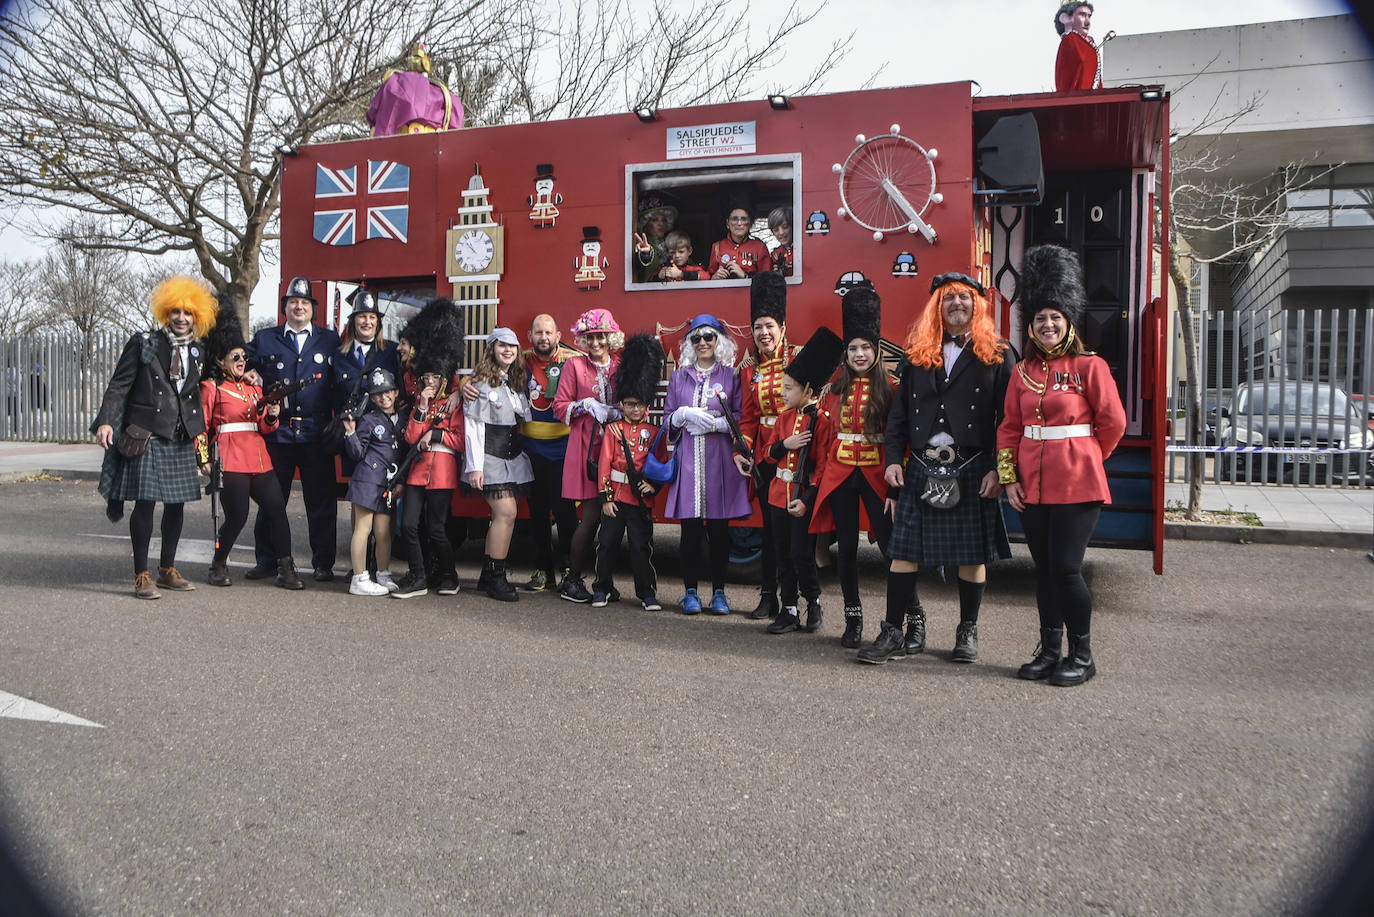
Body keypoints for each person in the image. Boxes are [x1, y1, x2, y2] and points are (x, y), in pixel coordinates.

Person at [857, 271, 1016, 666]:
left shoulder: (997, 353)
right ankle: (894, 630)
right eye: (948, 299)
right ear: (937, 307)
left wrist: (999, 469)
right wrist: (893, 459)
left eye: (964, 297)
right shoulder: (917, 353)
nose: (956, 304)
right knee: (902, 553)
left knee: (972, 556)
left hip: (973, 466)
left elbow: (1007, 419)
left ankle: (967, 630)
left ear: (976, 305)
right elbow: (898, 415)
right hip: (922, 464)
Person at [998, 245, 1126, 686]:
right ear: (1030, 327)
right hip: (1032, 487)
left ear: (1068, 321)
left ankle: (1082, 654)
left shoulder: (1090, 367)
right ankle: (1050, 650)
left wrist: (1088, 458)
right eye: (1039, 320)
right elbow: (1009, 429)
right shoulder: (1021, 373)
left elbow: (1113, 422)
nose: (1047, 325)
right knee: (1044, 571)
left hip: (1077, 485)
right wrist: (1009, 478)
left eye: (1054, 317)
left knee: (1067, 569)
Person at [93, 276, 217, 599]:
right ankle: (141, 574)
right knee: (145, 504)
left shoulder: (198, 350)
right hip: (146, 434)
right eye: (175, 311)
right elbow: (119, 385)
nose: (181, 318)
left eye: (188, 313)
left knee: (176, 506)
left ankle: (166, 569)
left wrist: (202, 453)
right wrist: (106, 422)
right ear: (166, 312)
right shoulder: (144, 342)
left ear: (196, 317)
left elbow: (194, 405)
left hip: (178, 436)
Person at [807, 288, 895, 648]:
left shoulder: (890, 388)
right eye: (853, 349)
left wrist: (896, 484)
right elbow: (826, 441)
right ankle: (852, 617)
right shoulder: (833, 390)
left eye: (865, 348)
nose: (859, 354)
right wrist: (817, 480)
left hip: (876, 475)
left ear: (875, 351)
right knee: (845, 550)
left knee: (892, 549)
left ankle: (907, 616)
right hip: (841, 474)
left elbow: (896, 440)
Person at [198, 299, 301, 590]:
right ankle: (218, 562)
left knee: (276, 508)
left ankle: (285, 566)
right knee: (238, 515)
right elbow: (201, 429)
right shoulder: (211, 387)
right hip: (230, 457)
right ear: (220, 360)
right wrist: (203, 458)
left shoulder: (253, 387)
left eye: (243, 356)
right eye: (235, 357)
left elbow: (264, 428)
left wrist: (272, 415)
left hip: (257, 456)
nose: (242, 361)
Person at [243, 276, 340, 582]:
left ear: (313, 308)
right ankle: (267, 559)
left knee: (321, 503)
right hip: (278, 434)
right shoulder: (265, 338)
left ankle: (323, 563)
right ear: (285, 306)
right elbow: (239, 361)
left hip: (316, 433)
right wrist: (251, 372)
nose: (299, 307)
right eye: (293, 302)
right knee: (271, 500)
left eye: (305, 303)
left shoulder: (330, 340)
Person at [663, 313, 752, 614]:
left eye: (708, 337)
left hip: (719, 464)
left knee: (718, 531)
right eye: (696, 338)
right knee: (689, 531)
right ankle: (689, 592)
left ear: (718, 341)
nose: (702, 343)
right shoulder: (678, 377)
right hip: (688, 461)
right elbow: (668, 420)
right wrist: (682, 415)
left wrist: (716, 425)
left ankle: (719, 593)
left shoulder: (731, 377)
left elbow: (740, 418)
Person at [761, 327, 844, 635]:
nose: (783, 393)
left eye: (789, 388)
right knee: (782, 555)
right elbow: (768, 453)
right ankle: (789, 608)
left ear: (808, 391)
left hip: (801, 499)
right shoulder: (783, 419)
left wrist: (807, 500)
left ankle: (813, 601)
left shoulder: (820, 421)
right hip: (777, 496)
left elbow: (822, 466)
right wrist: (787, 444)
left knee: (801, 556)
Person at [392, 301, 466, 599]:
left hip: (442, 473)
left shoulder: (453, 403)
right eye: (427, 377)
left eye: (436, 377)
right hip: (416, 473)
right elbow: (411, 436)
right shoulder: (421, 403)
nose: (431, 382)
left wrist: (435, 434)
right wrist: (421, 407)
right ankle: (418, 575)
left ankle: (449, 574)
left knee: (437, 528)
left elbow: (459, 441)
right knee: (408, 525)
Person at [552, 308, 624, 603]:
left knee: (614, 518)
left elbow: (632, 401)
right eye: (590, 337)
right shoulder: (574, 366)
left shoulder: (621, 364)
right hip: (586, 447)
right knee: (593, 515)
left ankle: (603, 581)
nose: (595, 343)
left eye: (600, 336)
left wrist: (618, 411)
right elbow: (559, 407)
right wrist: (585, 405)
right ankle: (571, 579)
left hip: (617, 446)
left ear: (610, 337)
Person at [737, 272, 797, 620]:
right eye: (758, 326)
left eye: (770, 326)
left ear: (782, 327)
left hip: (794, 454)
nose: (764, 333)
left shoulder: (798, 361)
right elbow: (746, 417)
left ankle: (799, 598)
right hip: (763, 458)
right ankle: (767, 596)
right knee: (769, 529)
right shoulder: (748, 371)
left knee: (791, 532)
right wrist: (742, 452)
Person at [592, 332, 667, 610]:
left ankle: (647, 594)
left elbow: (659, 466)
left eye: (639, 404)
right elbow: (604, 465)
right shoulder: (613, 430)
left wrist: (654, 487)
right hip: (616, 499)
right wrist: (606, 498)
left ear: (647, 406)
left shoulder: (654, 432)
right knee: (607, 545)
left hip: (640, 500)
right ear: (621, 404)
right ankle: (602, 588)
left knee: (640, 548)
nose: (634, 409)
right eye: (629, 404)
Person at [463, 328, 535, 602]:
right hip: (489, 457)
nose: (508, 351)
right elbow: (474, 427)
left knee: (501, 517)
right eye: (502, 346)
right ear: (491, 348)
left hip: (510, 458)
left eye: (513, 347)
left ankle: (487, 574)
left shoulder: (513, 382)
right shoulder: (481, 383)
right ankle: (497, 578)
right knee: (506, 513)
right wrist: (475, 466)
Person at [518, 314, 579, 591]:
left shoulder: (573, 360)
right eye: (538, 332)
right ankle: (543, 569)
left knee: (565, 512)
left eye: (548, 332)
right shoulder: (519, 360)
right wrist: (462, 389)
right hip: (531, 452)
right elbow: (485, 373)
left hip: (563, 452)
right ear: (530, 336)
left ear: (558, 335)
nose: (543, 337)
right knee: (537, 514)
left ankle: (569, 568)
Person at [341, 368, 403, 597]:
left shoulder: (403, 419)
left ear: (396, 392)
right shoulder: (368, 419)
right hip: (367, 480)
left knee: (384, 531)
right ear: (372, 398)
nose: (383, 397)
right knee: (363, 529)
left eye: (387, 392)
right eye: (377, 394)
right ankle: (359, 578)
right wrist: (350, 433)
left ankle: (383, 574)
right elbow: (357, 453)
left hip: (387, 484)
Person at [707, 207, 773, 280]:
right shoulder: (717, 246)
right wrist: (714, 277)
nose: (739, 223)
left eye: (744, 219)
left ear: (750, 224)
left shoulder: (759, 247)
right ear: (727, 224)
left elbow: (767, 279)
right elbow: (709, 275)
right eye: (734, 219)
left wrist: (745, 275)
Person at [1054, 2, 1100, 91]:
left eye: (1089, 16)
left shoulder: (1088, 42)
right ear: (1066, 18)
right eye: (1082, 15)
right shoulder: (1070, 40)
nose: (1087, 22)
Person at [631, 196, 678, 283]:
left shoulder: (673, 245)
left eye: (663, 220)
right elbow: (644, 262)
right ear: (645, 224)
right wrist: (646, 254)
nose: (661, 224)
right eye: (655, 220)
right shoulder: (643, 246)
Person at [767, 207, 794, 277]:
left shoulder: (802, 250)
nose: (781, 233)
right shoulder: (775, 255)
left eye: (785, 227)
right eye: (776, 230)